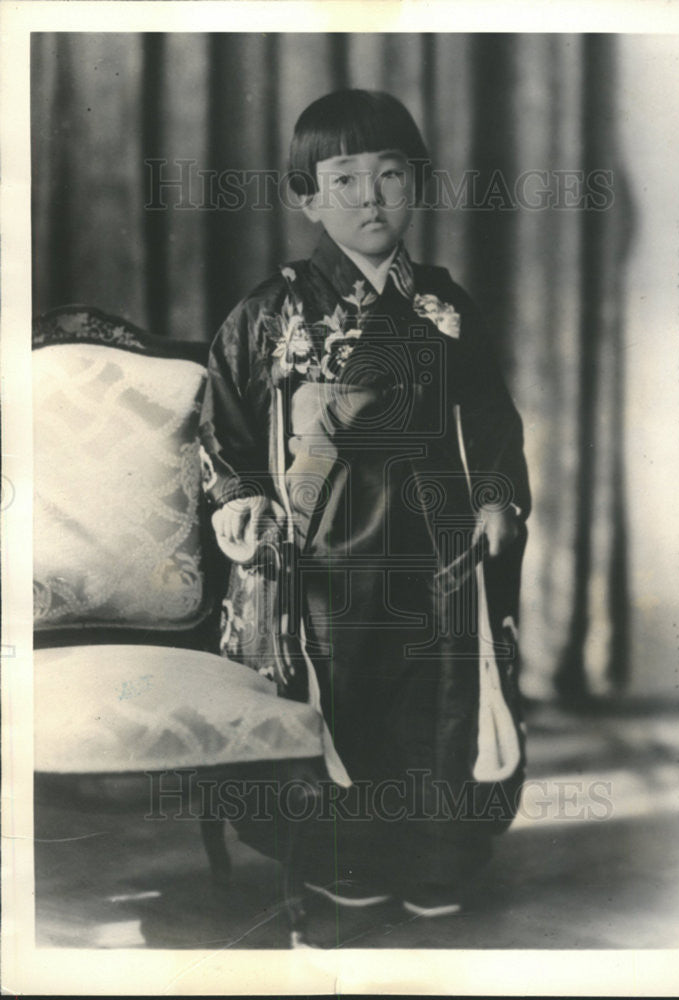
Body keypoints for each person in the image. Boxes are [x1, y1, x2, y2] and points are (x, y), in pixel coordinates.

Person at [198, 89, 531, 923]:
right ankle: (342, 859)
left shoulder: (445, 306)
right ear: (306, 196)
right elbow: (227, 428)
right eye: (344, 180)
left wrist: (496, 499)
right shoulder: (270, 312)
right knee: (343, 709)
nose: (371, 199)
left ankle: (434, 858)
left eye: (390, 175)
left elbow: (490, 417)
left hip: (436, 538)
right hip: (326, 551)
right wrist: (239, 497)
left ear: (416, 184)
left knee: (440, 705)